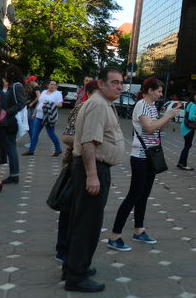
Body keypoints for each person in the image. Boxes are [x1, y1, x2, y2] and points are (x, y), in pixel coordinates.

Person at [62, 66, 125, 292]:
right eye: (114, 82)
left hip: (96, 168)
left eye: (121, 83)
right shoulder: (98, 104)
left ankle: (75, 266)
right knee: (87, 224)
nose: (119, 86)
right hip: (93, 168)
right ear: (101, 84)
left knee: (83, 220)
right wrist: (92, 175)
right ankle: (76, 276)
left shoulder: (103, 103)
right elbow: (88, 142)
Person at [108, 78, 179, 252]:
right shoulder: (141, 105)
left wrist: (168, 117)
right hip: (140, 155)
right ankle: (115, 235)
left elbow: (159, 128)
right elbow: (148, 127)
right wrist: (167, 116)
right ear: (149, 90)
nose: (161, 94)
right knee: (134, 195)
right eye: (159, 91)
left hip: (151, 155)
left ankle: (139, 230)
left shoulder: (153, 107)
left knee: (144, 195)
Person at [55, 79, 99, 262]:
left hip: (91, 163)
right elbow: (66, 137)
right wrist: (89, 145)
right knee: (70, 207)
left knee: (81, 210)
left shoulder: (100, 109)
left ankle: (70, 249)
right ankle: (63, 249)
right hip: (76, 163)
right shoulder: (82, 108)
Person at [1, 67, 27, 184]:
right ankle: (13, 174)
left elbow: (21, 103)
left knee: (10, 147)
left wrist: (7, 111)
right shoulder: (14, 86)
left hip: (10, 121)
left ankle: (14, 174)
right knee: (8, 147)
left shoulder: (16, 86)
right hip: (9, 120)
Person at [24, 79, 63, 156]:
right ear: (48, 85)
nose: (53, 86)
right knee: (35, 134)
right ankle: (31, 150)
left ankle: (58, 149)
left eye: (54, 85)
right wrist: (34, 113)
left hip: (49, 117)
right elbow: (39, 102)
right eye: (51, 84)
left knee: (51, 134)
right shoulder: (44, 92)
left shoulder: (57, 93)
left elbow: (60, 105)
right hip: (39, 116)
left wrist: (51, 104)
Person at [177, 91, 196, 170]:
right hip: (188, 128)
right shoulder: (193, 105)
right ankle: (183, 164)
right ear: (193, 96)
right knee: (187, 146)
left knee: (187, 145)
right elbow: (191, 118)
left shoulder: (189, 103)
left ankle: (180, 162)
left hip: (184, 126)